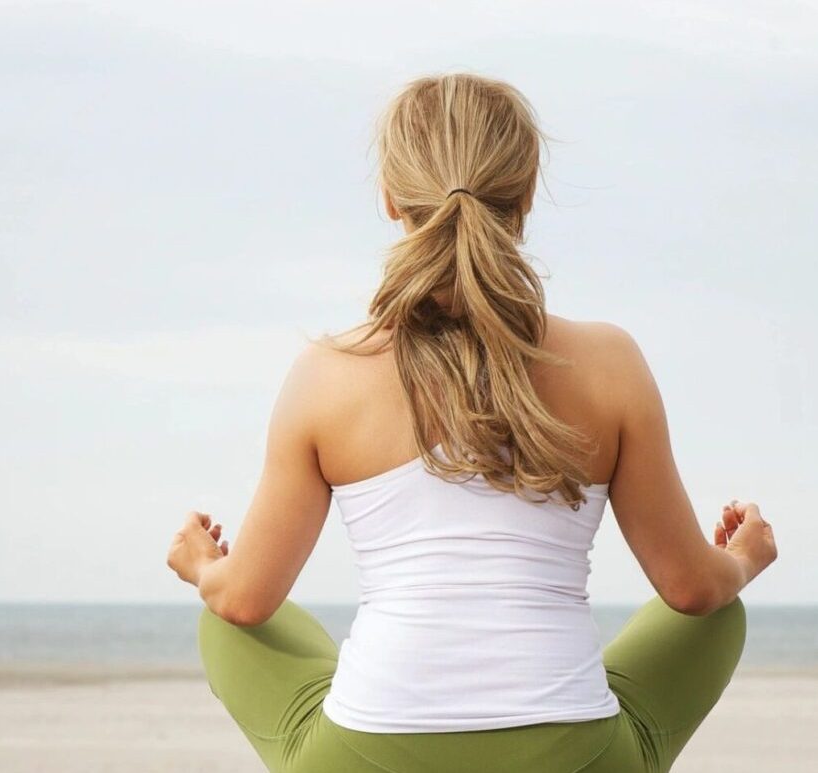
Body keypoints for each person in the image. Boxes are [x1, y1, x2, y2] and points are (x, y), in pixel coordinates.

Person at [165, 72, 778, 773]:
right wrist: (741, 558)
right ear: (524, 195)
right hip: (574, 754)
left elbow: (246, 600)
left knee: (228, 623)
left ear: (390, 197)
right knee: (716, 613)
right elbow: (692, 590)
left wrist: (205, 568)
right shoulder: (610, 362)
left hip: (366, 755)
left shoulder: (326, 374)